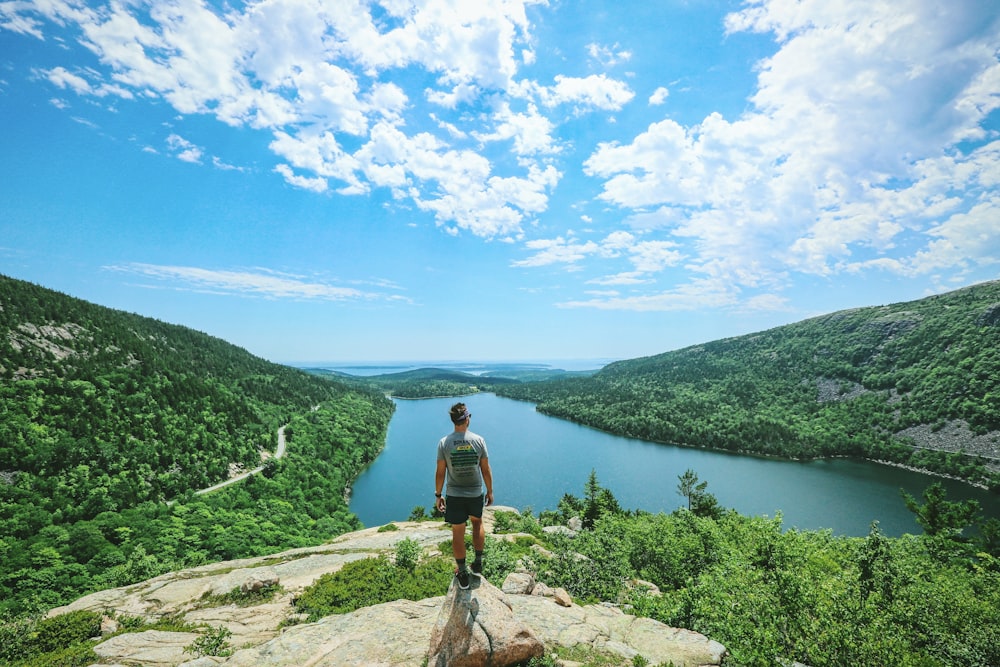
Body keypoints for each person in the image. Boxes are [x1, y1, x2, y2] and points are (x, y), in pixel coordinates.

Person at [435, 401, 493, 589]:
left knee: (458, 531)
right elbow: (485, 469)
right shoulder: (479, 440)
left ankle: (462, 572)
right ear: (467, 419)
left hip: (454, 494)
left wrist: (438, 495)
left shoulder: (444, 442)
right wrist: (490, 491)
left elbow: (440, 472)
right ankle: (477, 563)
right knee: (477, 524)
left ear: (453, 420)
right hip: (475, 492)